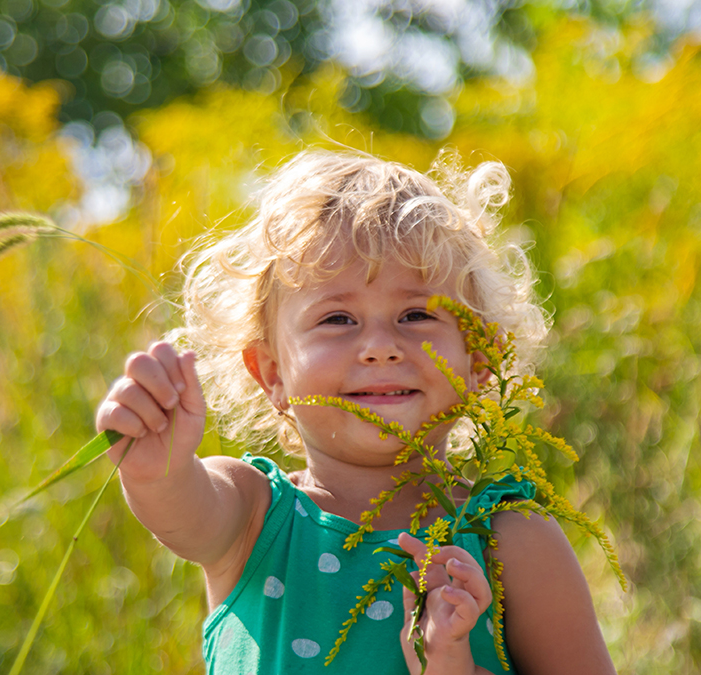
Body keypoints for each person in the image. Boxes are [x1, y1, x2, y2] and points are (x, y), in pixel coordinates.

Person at [95, 150, 616, 674]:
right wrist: (154, 470)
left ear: (480, 360)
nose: (380, 347)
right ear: (273, 373)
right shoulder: (255, 516)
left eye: (415, 314)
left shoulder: (512, 540)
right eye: (338, 319)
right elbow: (184, 511)